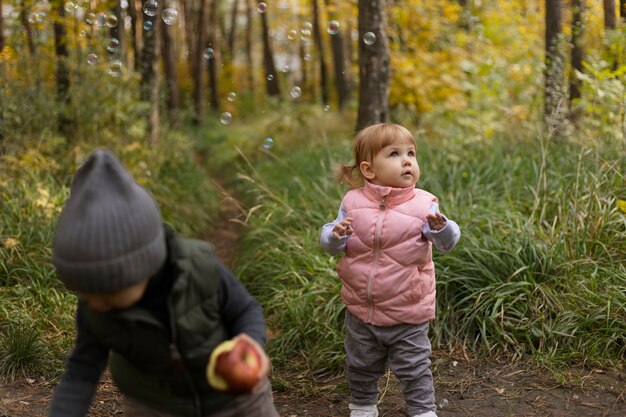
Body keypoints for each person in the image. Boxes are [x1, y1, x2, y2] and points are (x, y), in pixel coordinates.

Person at [49, 149, 279, 417]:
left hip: (236, 398)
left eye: (107, 293)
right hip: (154, 405)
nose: (95, 303)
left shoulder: (199, 268)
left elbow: (245, 309)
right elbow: (81, 373)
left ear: (143, 266)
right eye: (85, 293)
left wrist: (250, 341)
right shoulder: (95, 310)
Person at [320, 123, 460, 417]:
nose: (407, 160)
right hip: (362, 307)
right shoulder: (352, 202)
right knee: (361, 362)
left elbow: (447, 242)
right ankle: (362, 406)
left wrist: (443, 228)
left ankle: (422, 410)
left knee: (413, 366)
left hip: (407, 308)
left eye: (411, 153)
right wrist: (336, 235)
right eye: (394, 154)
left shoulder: (425, 205)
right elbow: (332, 240)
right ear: (369, 170)